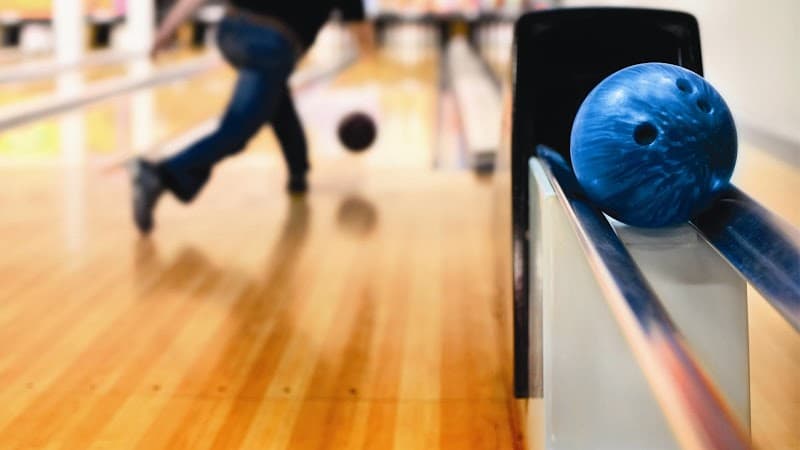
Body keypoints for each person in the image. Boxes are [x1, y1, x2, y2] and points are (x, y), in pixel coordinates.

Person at [130, 0, 374, 234]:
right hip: (271, 45)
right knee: (238, 130)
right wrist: (368, 63)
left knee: (275, 96)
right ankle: (161, 173)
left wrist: (167, 28)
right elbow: (361, 31)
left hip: (229, 31)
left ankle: (298, 172)